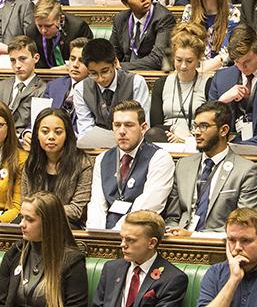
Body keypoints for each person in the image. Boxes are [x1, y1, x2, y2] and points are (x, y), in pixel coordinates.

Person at [165, 101, 257, 234]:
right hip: (180, 241)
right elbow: (172, 216)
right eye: (195, 126)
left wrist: (195, 236)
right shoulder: (183, 165)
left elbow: (244, 224)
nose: (196, 132)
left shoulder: (246, 171)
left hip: (219, 245)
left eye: (204, 126)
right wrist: (171, 231)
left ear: (223, 130)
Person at [87, 100, 175, 230]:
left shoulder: (160, 158)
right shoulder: (102, 159)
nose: (122, 131)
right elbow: (97, 204)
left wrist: (116, 233)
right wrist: (97, 236)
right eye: (117, 125)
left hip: (140, 233)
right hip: (105, 234)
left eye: (129, 125)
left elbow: (149, 205)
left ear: (143, 128)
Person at [0, 192, 88, 307]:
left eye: (30, 219)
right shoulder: (15, 253)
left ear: (48, 223)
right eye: (22, 217)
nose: (21, 224)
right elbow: (0, 302)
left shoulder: (72, 262)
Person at [91, 210, 189, 307]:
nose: (122, 244)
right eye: (122, 238)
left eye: (130, 240)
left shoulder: (172, 279)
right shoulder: (111, 268)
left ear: (152, 243)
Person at [20, 109, 93, 228]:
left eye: (58, 132)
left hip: (67, 224)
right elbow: (25, 202)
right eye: (45, 132)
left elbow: (76, 210)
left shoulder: (83, 163)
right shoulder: (31, 163)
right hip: (32, 221)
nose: (51, 137)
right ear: (37, 135)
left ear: (67, 135)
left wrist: (39, 212)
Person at [149, 23, 211, 143]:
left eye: (189, 61)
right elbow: (156, 124)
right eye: (178, 60)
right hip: (167, 137)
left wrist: (187, 138)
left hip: (197, 138)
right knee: (152, 134)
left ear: (199, 59)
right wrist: (174, 129)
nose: (183, 66)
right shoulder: (161, 84)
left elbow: (210, 123)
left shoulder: (208, 83)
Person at [73, 38, 151, 133]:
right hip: (96, 143)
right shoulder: (81, 89)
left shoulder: (136, 82)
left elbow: (142, 124)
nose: (100, 78)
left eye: (105, 71)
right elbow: (85, 128)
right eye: (93, 73)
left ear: (115, 63)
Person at [181, 0, 242, 71]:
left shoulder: (232, 13)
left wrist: (202, 70)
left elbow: (228, 52)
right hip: (192, 67)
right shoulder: (189, 11)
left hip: (223, 70)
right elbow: (184, 44)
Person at [110, 0, 176, 71]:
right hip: (123, 77)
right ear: (126, 3)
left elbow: (158, 59)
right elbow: (112, 54)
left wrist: (121, 67)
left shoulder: (164, 18)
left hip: (151, 76)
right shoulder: (120, 19)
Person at [0, 35, 47, 137]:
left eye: (22, 59)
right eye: (13, 60)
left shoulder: (43, 89)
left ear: (36, 58)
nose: (17, 65)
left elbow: (38, 124)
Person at [32, 0, 92, 69]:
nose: (43, 30)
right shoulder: (31, 30)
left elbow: (88, 59)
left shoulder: (78, 28)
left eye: (48, 26)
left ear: (61, 19)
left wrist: (67, 67)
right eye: (40, 26)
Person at [44, 37, 88, 119]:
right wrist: (28, 131)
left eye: (81, 60)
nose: (75, 64)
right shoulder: (53, 86)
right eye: (72, 59)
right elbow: (40, 115)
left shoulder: (96, 89)